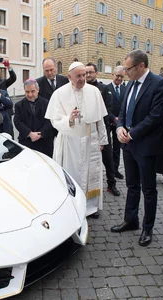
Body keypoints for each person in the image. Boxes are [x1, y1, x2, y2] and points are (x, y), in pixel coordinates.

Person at [110, 50, 163, 247]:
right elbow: (122, 111)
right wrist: (119, 128)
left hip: (146, 146)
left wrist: (132, 133)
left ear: (141, 65)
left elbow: (155, 117)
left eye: (128, 69)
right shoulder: (130, 84)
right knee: (132, 185)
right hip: (128, 145)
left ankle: (147, 228)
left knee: (149, 189)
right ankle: (131, 220)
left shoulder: (158, 84)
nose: (125, 73)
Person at [45, 61, 108, 217]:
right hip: (69, 142)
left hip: (90, 140)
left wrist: (102, 140)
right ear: (69, 77)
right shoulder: (59, 93)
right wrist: (69, 119)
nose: (82, 78)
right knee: (72, 175)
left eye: (84, 75)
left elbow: (100, 119)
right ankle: (73, 206)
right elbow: (54, 121)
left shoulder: (94, 91)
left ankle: (91, 207)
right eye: (78, 76)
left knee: (91, 174)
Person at [85, 62, 120, 199]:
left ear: (96, 73)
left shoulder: (104, 89)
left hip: (102, 129)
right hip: (87, 131)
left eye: (90, 72)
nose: (88, 75)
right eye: (86, 72)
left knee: (108, 159)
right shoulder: (82, 88)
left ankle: (111, 184)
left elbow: (107, 109)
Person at [14, 79, 54, 157]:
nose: (30, 95)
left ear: (38, 90)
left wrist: (40, 133)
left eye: (32, 91)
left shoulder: (46, 103)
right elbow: (17, 121)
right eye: (27, 92)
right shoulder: (19, 105)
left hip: (44, 142)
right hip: (27, 141)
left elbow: (50, 120)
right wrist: (30, 133)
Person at [105, 66, 126, 180]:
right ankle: (110, 171)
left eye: (121, 76)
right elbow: (105, 107)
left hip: (119, 124)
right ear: (112, 75)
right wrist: (113, 118)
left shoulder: (124, 89)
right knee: (108, 148)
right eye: (117, 75)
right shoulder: (106, 88)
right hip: (109, 122)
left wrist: (120, 120)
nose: (119, 78)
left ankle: (115, 169)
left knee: (117, 149)